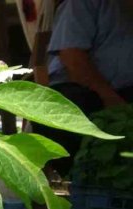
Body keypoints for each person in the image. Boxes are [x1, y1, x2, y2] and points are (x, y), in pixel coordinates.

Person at [41, 0, 133, 176]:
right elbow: (72, 57)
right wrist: (110, 98)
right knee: (74, 113)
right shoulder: (81, 3)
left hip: (124, 94)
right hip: (81, 90)